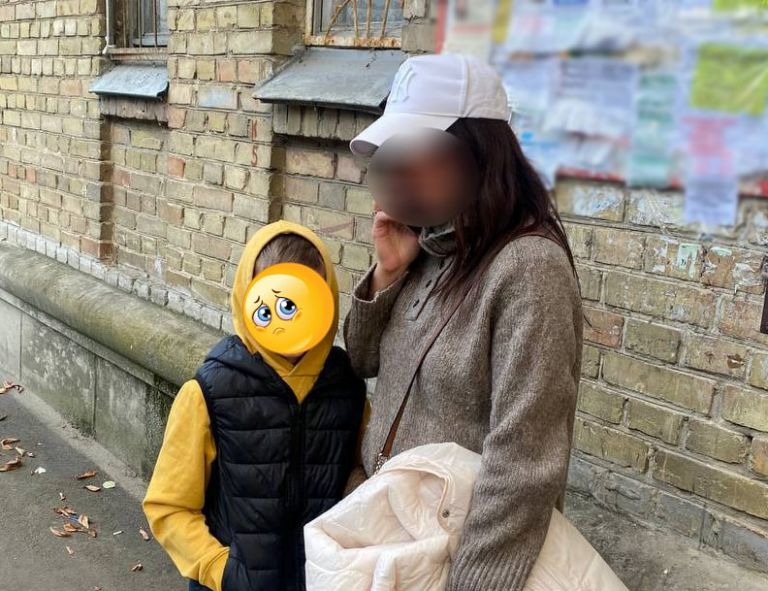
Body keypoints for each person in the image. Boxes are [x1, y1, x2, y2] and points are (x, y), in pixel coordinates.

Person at [343, 53, 584, 591]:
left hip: (455, 557)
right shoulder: (429, 243)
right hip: (391, 536)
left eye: (415, 158)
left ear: (476, 153)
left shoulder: (528, 269)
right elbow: (361, 360)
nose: (399, 178)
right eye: (392, 160)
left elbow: (524, 464)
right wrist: (387, 273)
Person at [143, 220, 367, 591]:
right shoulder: (210, 391)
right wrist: (222, 571)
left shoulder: (348, 389)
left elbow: (360, 479)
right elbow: (169, 506)